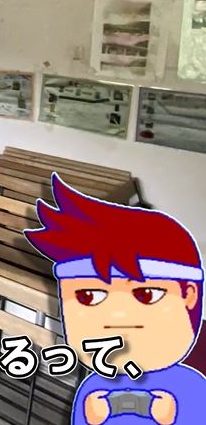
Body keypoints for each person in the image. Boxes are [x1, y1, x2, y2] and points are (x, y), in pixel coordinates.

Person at [25, 176, 206, 424]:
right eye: (89, 296)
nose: (118, 315)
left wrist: (175, 415)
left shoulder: (189, 382)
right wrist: (90, 417)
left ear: (189, 296)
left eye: (146, 295)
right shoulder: (95, 384)